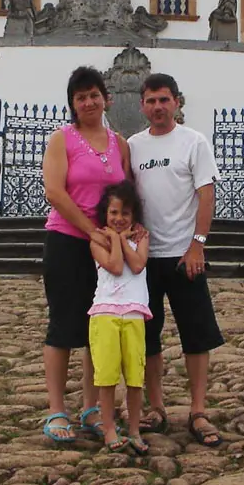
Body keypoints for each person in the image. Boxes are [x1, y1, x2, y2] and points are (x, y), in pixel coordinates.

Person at [129, 73, 225, 447]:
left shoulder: (194, 142)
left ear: (177, 102)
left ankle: (198, 409)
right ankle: (156, 408)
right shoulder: (133, 146)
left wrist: (198, 244)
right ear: (142, 105)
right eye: (151, 101)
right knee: (147, 338)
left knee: (196, 336)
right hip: (145, 258)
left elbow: (206, 193)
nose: (158, 107)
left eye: (164, 100)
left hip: (185, 256)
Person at [39, 66, 132, 444]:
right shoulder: (62, 139)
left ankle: (92, 407)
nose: (89, 102)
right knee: (63, 326)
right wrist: (89, 228)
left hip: (106, 248)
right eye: (81, 97)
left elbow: (126, 194)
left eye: (94, 95)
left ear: (105, 98)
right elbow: (54, 192)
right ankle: (57, 410)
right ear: (73, 105)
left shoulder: (118, 143)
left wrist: (127, 230)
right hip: (67, 241)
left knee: (100, 328)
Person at [88, 181, 152, 454]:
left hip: (135, 313)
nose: (118, 218)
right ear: (105, 213)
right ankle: (109, 428)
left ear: (134, 216)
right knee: (107, 376)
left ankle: (135, 429)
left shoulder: (142, 237)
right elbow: (114, 266)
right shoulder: (97, 239)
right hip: (105, 313)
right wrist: (117, 238)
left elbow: (137, 265)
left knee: (135, 377)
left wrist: (124, 239)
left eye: (125, 213)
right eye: (113, 213)